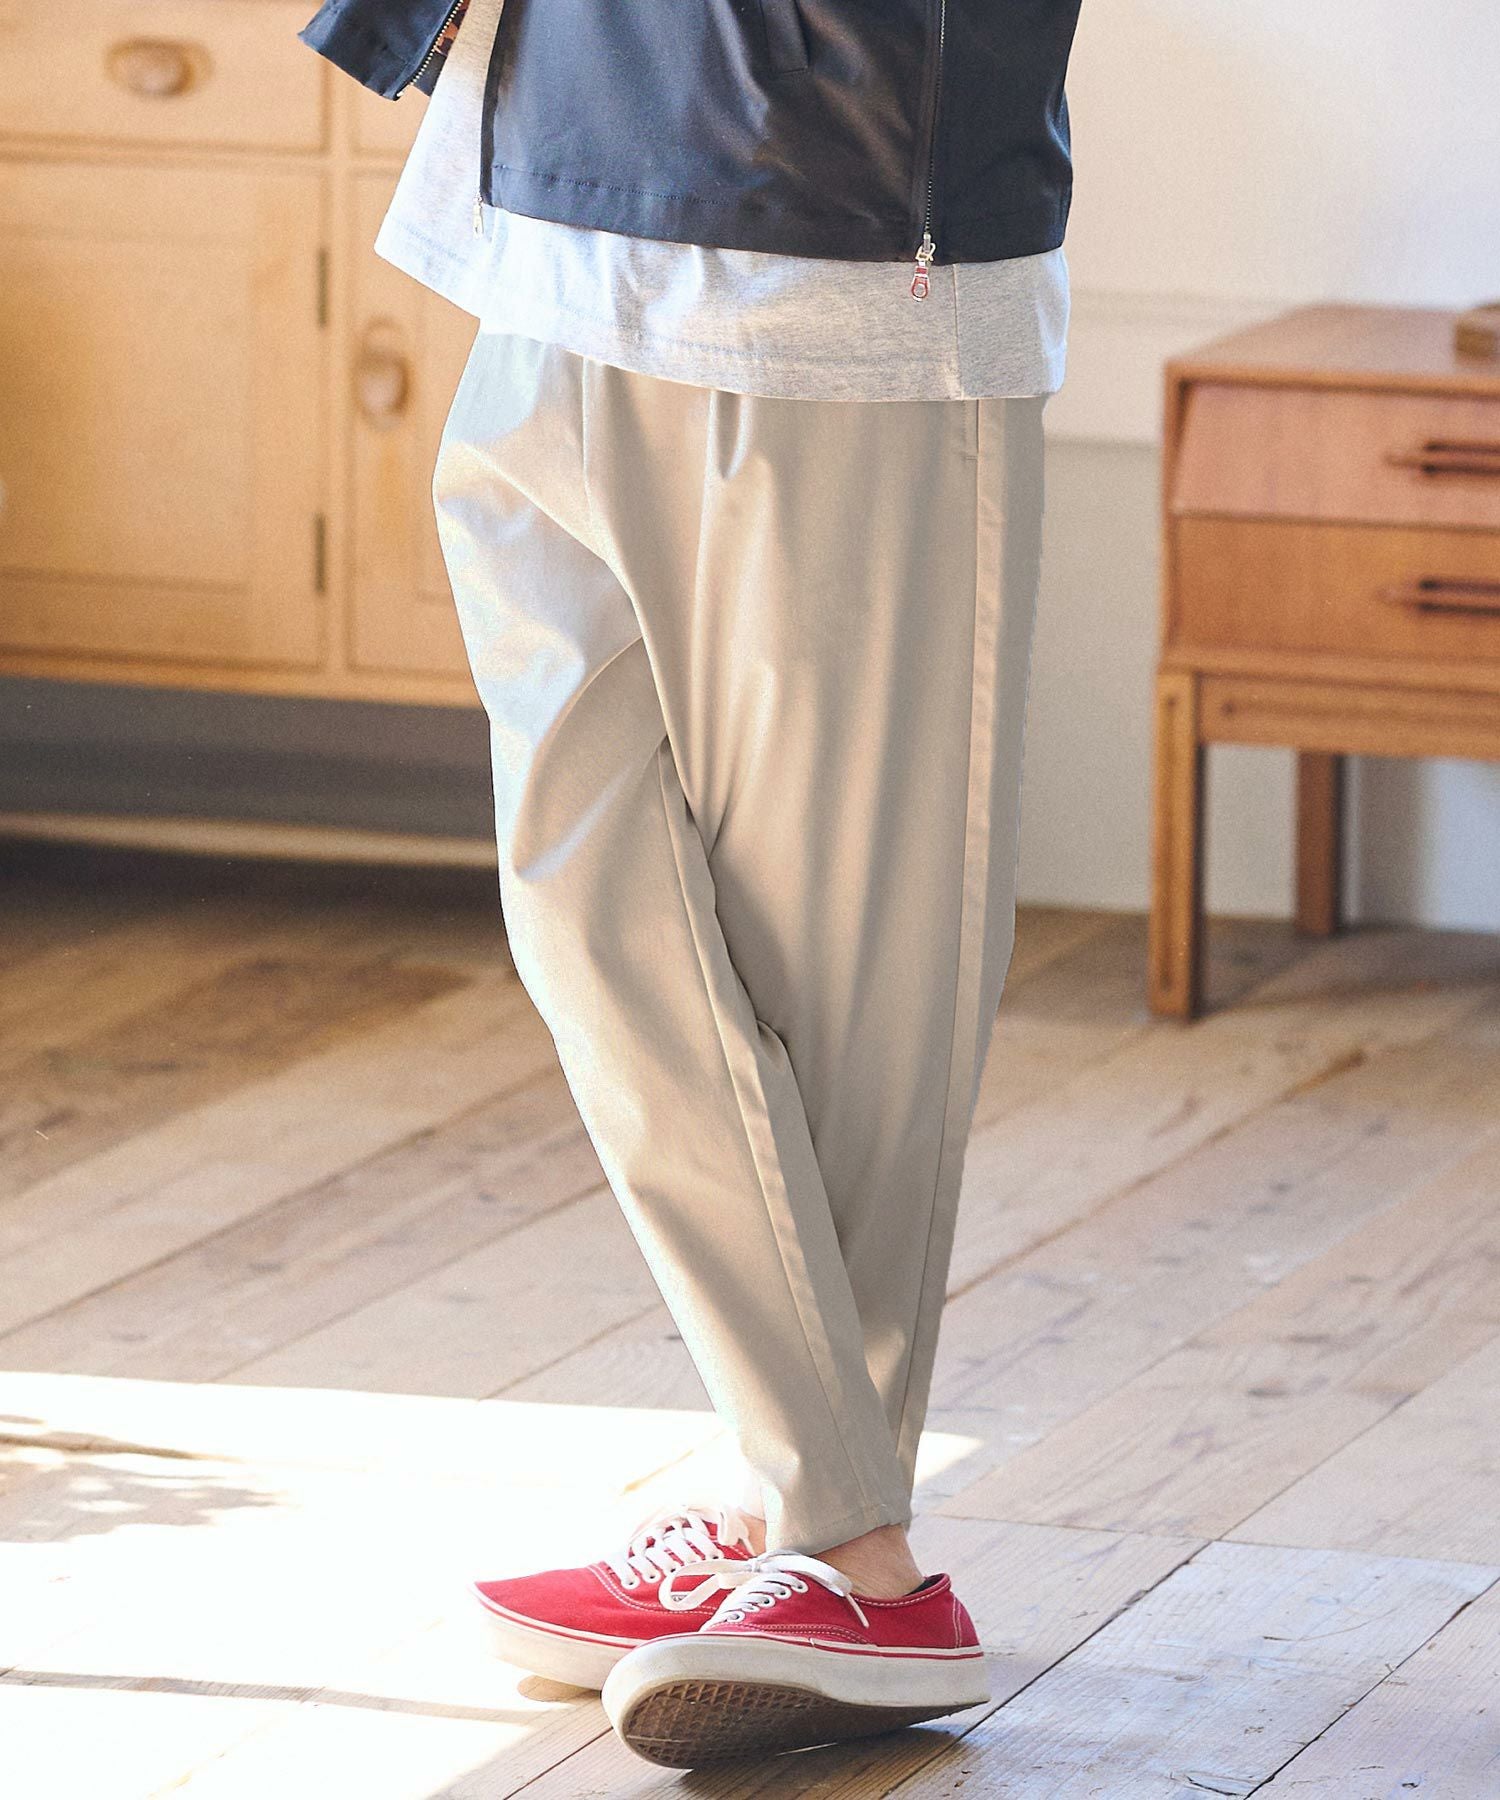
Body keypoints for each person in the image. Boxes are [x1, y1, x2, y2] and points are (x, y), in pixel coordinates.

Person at [299, 0, 1083, 1767]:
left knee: (840, 972)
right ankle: (799, 1504)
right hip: (547, 212)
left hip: (830, 245)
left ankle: (847, 1552)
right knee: (586, 899)